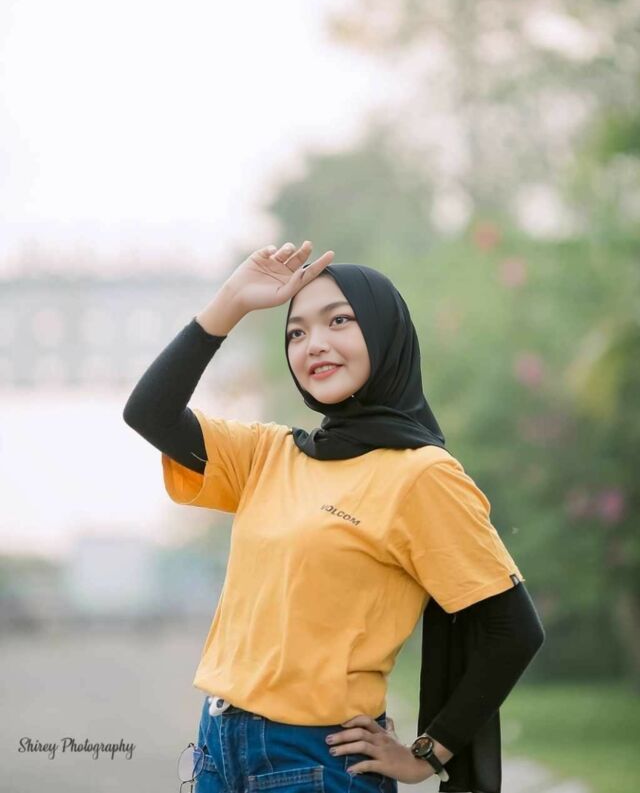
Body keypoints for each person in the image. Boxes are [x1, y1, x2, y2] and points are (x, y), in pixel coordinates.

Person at [123, 241, 545, 793]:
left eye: (339, 321)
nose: (314, 344)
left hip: (315, 761)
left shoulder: (421, 474)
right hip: (216, 748)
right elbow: (149, 412)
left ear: (385, 333)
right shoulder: (267, 454)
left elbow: (512, 629)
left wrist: (427, 754)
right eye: (296, 333)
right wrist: (233, 300)